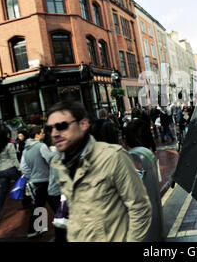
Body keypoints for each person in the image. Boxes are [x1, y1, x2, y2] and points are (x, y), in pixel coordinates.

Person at [47, 101, 152, 242]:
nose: (54, 134)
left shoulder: (113, 157)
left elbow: (140, 208)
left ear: (83, 124)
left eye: (61, 126)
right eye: (50, 129)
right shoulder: (60, 165)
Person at [20, 126, 57, 238]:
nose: (44, 134)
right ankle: (65, 225)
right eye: (41, 133)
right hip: (46, 179)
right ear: (36, 135)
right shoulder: (41, 146)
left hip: (36, 181)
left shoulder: (25, 150)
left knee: (40, 205)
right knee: (55, 203)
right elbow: (50, 160)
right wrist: (55, 153)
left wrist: (33, 176)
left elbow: (23, 167)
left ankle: (35, 229)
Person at [0, 128, 20, 221]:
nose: (9, 136)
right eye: (8, 134)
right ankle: (27, 201)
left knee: (2, 192)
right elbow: (14, 159)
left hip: (1, 171)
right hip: (11, 169)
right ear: (6, 136)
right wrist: (20, 169)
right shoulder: (10, 145)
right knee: (23, 183)